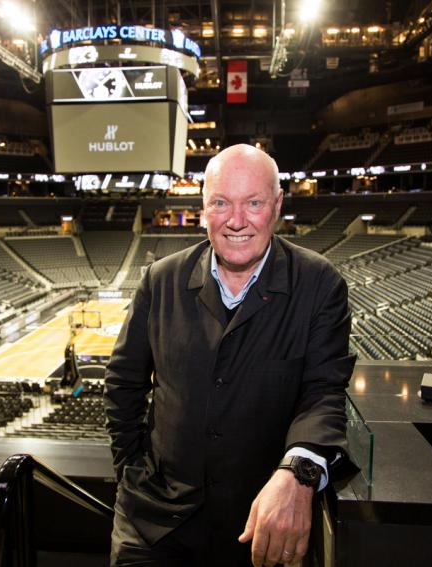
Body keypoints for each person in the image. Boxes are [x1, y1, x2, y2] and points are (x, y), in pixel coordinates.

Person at [105, 144, 355, 566]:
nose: (237, 221)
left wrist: (298, 473)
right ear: (204, 209)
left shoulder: (320, 284)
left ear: (276, 205)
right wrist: (132, 471)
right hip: (155, 522)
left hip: (260, 525)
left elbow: (324, 394)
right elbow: (123, 384)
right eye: (221, 203)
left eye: (253, 203)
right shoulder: (160, 280)